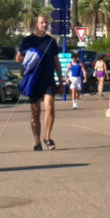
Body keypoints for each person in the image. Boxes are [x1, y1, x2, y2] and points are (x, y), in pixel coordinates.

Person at [16, 14, 63, 151]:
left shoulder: (51, 41)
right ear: (36, 24)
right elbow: (18, 58)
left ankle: (47, 138)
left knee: (50, 107)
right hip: (34, 80)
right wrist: (29, 57)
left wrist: (60, 81)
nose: (44, 25)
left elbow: (56, 62)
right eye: (42, 23)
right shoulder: (28, 41)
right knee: (35, 112)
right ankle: (37, 141)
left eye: (46, 23)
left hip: (48, 80)